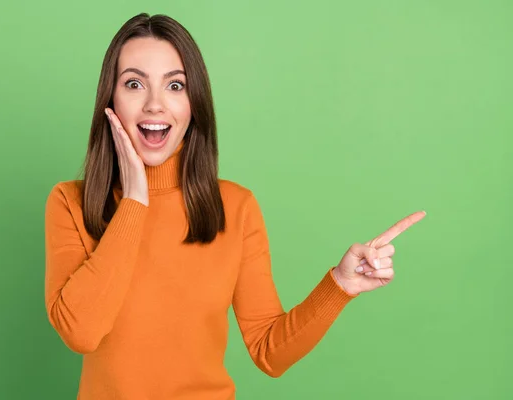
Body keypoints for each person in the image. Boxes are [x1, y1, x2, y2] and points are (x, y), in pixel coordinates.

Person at [44, 12, 426, 400]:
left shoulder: (236, 207)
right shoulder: (70, 204)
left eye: (175, 85)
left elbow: (269, 352)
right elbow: (80, 332)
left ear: (195, 105)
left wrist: (340, 286)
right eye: (134, 84)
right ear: (110, 99)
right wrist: (135, 201)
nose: (155, 105)